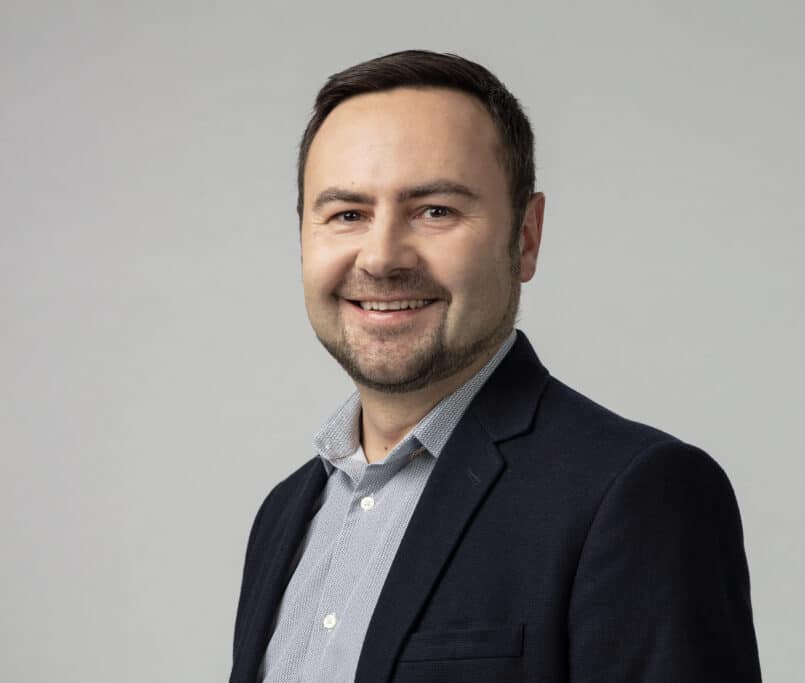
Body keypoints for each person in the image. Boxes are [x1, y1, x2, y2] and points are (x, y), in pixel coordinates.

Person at [231, 49, 761, 683]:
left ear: (526, 238)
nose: (381, 257)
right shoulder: (285, 514)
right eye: (348, 214)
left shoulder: (634, 495)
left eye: (436, 211)